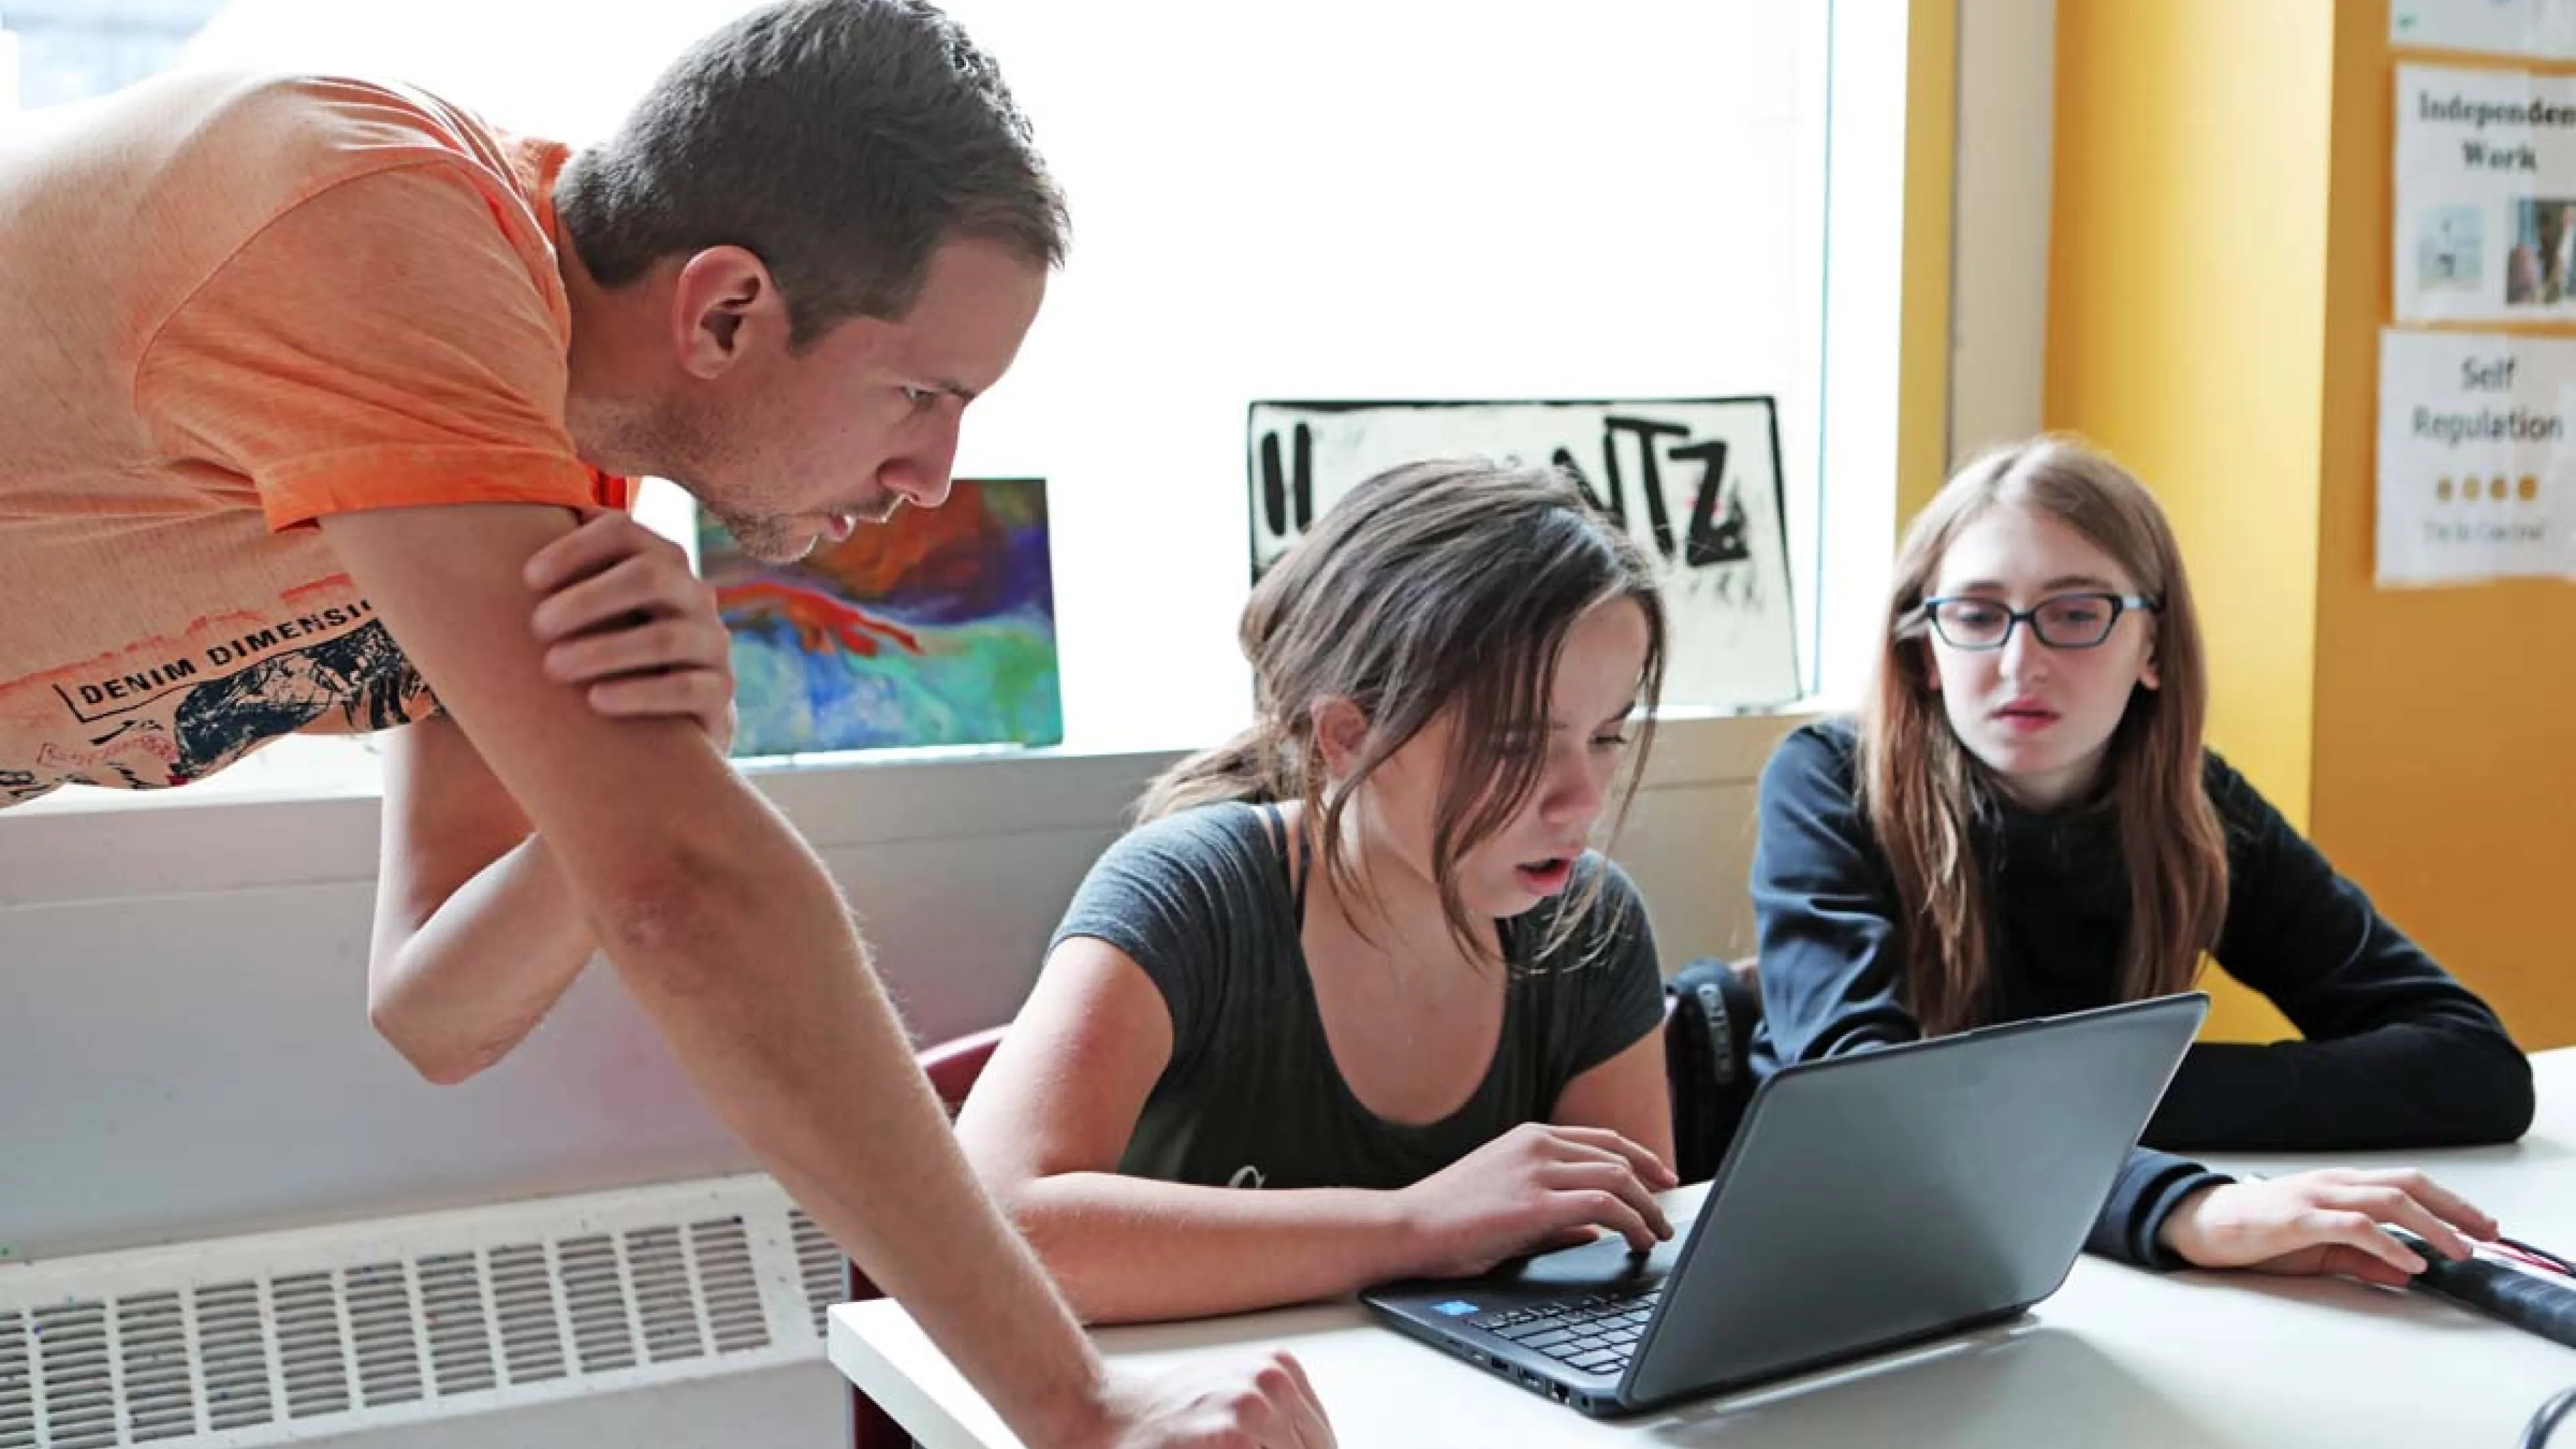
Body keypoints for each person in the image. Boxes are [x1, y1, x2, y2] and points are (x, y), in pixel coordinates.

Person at [0, 3, 1330, 1442]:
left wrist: (618, 800)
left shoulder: (560, 478)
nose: (936, 475)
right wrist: (1084, 1414)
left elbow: (437, 1010)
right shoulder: (369, 215)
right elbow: (686, 894)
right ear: (727, 313)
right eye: (924, 392)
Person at [1750, 434, 2535, 1286]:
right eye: (1976, 616)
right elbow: (1861, 1107)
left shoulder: (2196, 806)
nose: (2021, 662)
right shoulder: (1827, 780)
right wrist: (2179, 1204)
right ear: (1924, 652)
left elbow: (2473, 1068)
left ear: (2153, 648)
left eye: (2077, 613)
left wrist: (2096, 1093)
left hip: (2057, 1252)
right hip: (1790, 1221)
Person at [956, 460, 1682, 1325]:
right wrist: (1416, 1226)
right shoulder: (1191, 892)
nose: (1584, 800)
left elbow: (1625, 1257)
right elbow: (986, 1231)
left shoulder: (1591, 923)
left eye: (1606, 737)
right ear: (1347, 736)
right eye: (1520, 744)